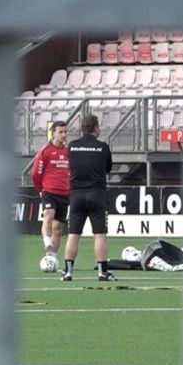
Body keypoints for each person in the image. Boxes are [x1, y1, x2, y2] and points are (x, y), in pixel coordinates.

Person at [63, 114, 116, 281]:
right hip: (97, 194)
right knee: (99, 235)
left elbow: (70, 165)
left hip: (76, 195)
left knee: (73, 234)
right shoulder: (103, 147)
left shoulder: (71, 146)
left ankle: (68, 271)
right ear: (95, 128)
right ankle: (102, 271)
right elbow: (108, 168)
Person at [32, 120, 70, 257]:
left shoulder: (68, 152)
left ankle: (51, 258)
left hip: (64, 193)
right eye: (60, 132)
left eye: (65, 132)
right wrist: (41, 188)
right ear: (53, 133)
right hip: (49, 191)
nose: (64, 135)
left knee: (58, 229)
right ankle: (46, 241)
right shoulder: (45, 152)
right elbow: (36, 173)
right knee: (48, 215)